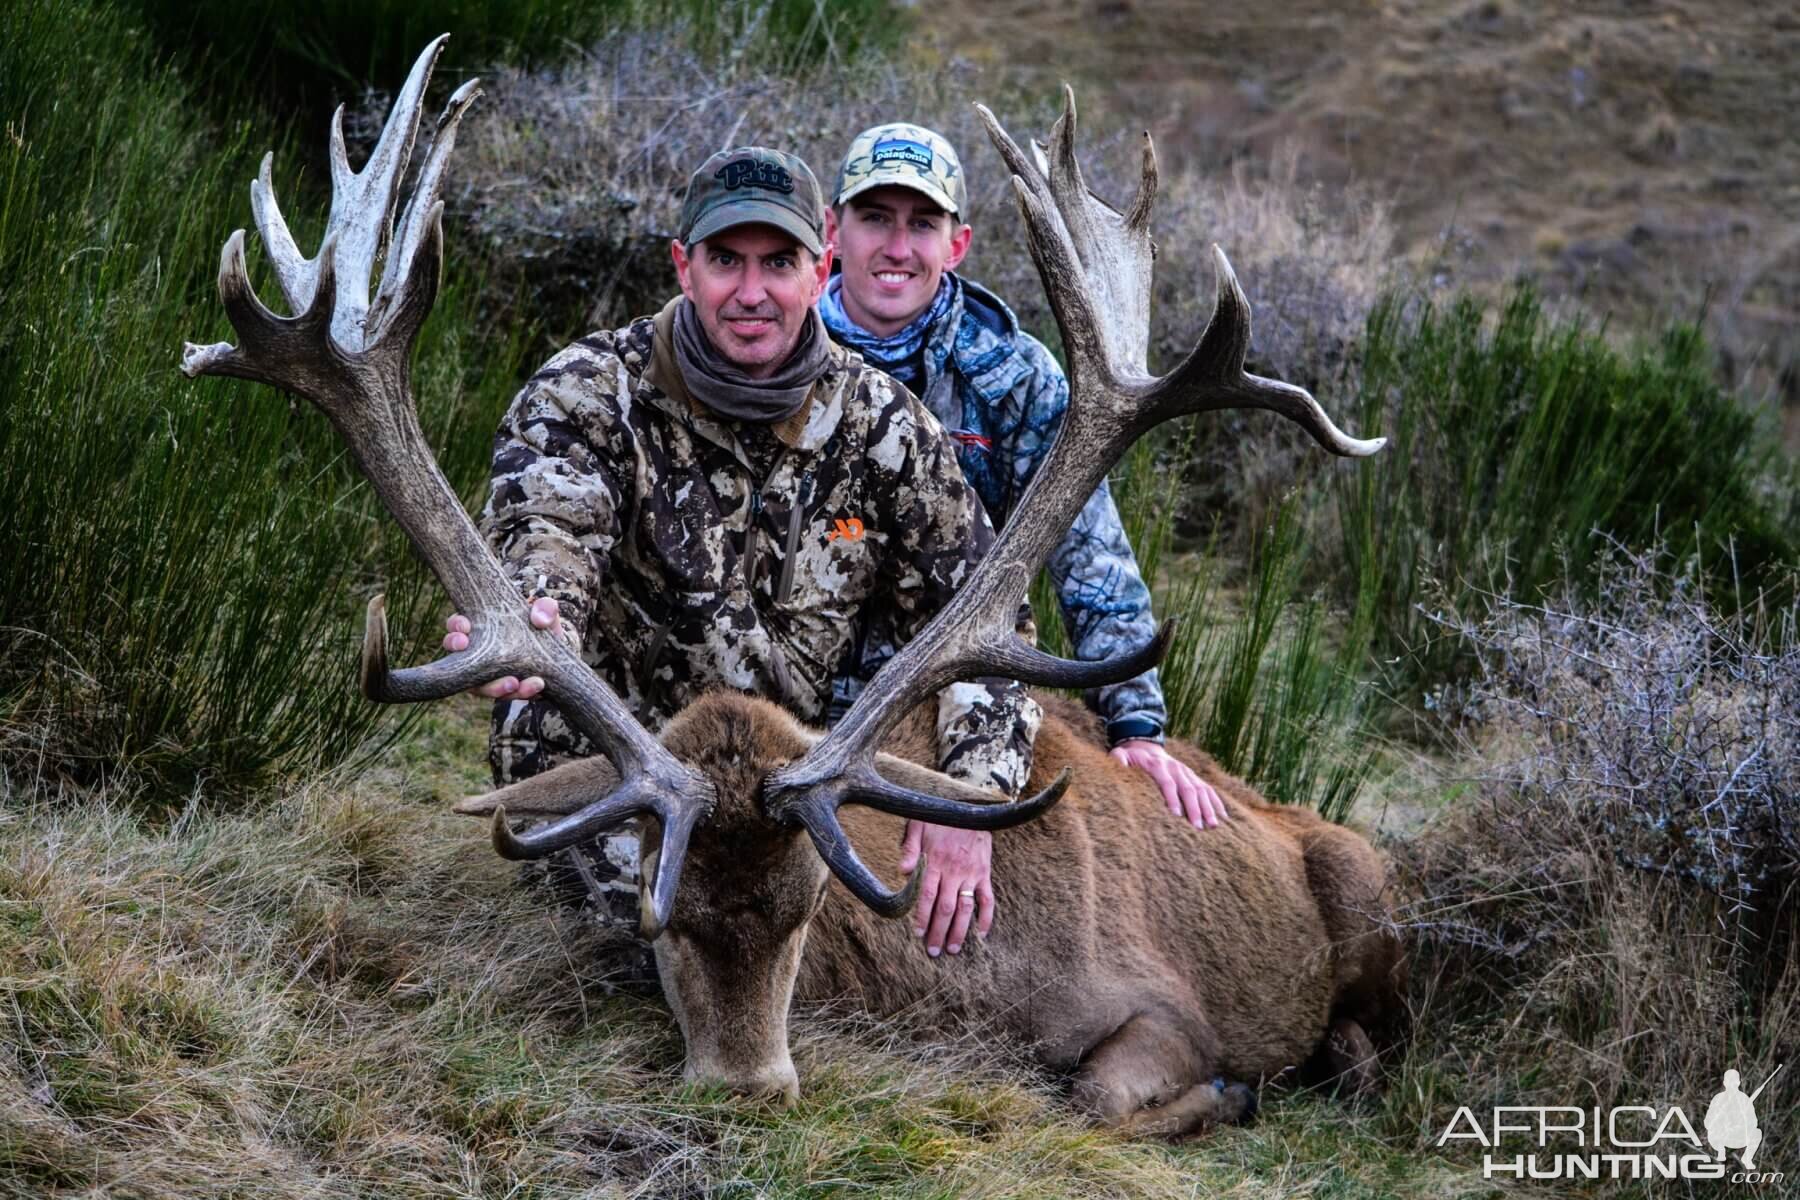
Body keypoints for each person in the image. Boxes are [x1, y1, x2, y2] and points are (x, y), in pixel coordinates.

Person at [447, 146, 1039, 964]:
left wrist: (970, 807)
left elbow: (988, 625)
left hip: (787, 792)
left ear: (819, 264)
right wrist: (531, 614)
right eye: (726, 260)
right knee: (658, 950)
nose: (752, 293)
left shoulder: (884, 428)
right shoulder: (586, 396)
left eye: (780, 262)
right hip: (626, 774)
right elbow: (551, 532)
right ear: (682, 266)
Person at [819, 123, 1227, 831]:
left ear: (957, 244)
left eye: (923, 223)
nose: (896, 246)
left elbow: (1090, 551)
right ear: (833, 229)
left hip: (957, 700)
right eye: (874, 218)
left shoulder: (1015, 379)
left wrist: (1136, 727)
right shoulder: (774, 356)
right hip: (798, 697)